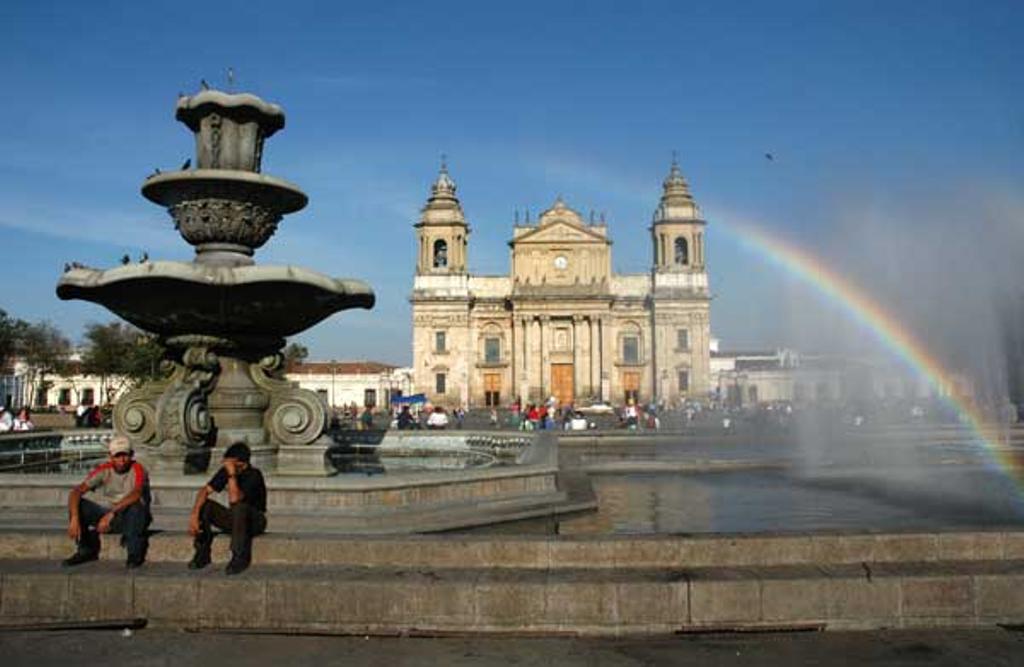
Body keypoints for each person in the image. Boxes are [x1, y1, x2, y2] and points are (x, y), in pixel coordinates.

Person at [63, 435, 151, 569]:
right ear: (110, 456)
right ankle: (85, 550)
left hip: (132, 516)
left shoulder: (138, 469)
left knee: (136, 507)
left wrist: (111, 514)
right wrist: (75, 518)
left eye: (125, 455)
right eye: (117, 456)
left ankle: (134, 555)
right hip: (111, 516)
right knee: (78, 505)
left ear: (131, 455)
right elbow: (76, 492)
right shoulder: (104, 469)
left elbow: (136, 493)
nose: (122, 460)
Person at [188, 442, 267, 575]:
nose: (226, 466)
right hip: (236, 520)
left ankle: (239, 557)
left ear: (241, 463)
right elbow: (204, 491)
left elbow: (234, 499)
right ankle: (202, 552)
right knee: (205, 505)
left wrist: (231, 475)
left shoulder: (254, 475)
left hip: (255, 520)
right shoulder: (226, 471)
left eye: (231, 463)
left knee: (240, 507)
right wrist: (194, 515)